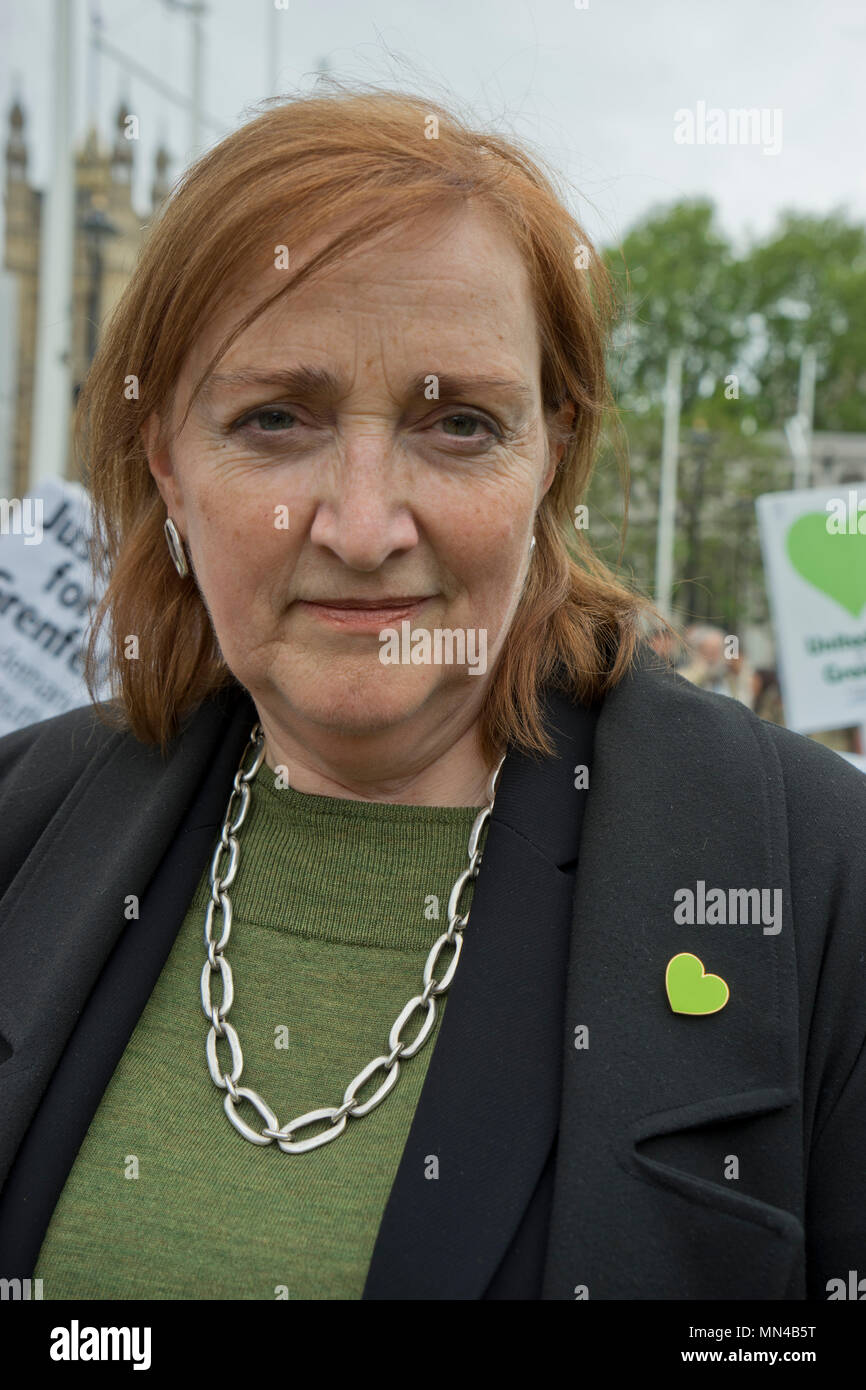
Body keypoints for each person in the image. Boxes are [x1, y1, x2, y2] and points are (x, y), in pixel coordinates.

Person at [0, 86, 864, 1302]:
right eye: (274, 419)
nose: (361, 527)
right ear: (168, 467)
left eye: (458, 422)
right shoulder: (21, 826)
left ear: (549, 456)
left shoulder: (815, 880)